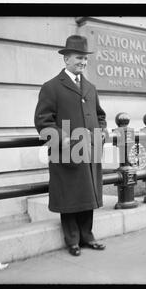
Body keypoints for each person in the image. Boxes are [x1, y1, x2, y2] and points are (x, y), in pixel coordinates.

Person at [34, 35, 108, 256]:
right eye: (78, 58)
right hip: (66, 153)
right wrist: (65, 138)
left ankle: (88, 236)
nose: (83, 63)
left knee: (87, 193)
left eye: (85, 59)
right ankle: (72, 240)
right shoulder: (51, 87)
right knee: (69, 196)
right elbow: (43, 121)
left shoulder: (91, 87)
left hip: (90, 151)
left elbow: (100, 115)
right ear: (66, 59)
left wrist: (101, 132)